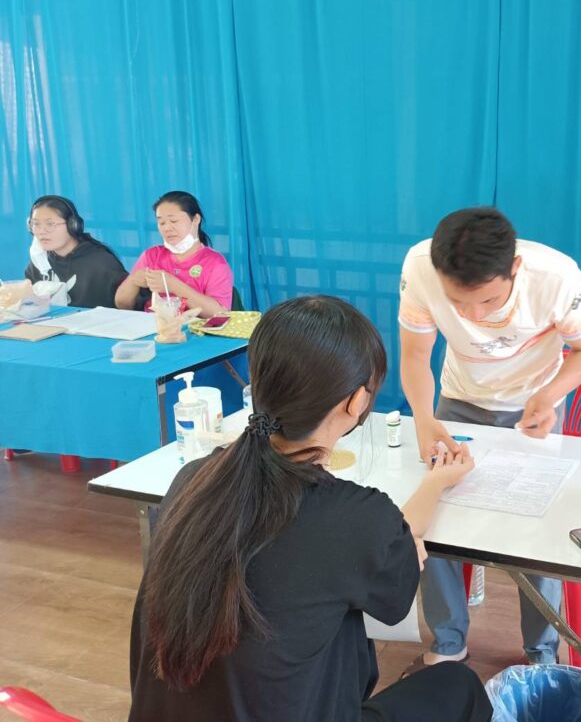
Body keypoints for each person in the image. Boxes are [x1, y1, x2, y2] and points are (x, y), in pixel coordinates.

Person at [129, 295, 492, 722]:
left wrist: (426, 494)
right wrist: (434, 486)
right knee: (457, 685)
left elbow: (369, 544)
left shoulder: (195, 480)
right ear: (356, 402)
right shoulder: (354, 517)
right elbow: (392, 567)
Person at [398, 207, 581, 672]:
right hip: (458, 401)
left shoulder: (556, 277)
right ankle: (449, 641)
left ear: (515, 269)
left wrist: (549, 395)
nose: (474, 316)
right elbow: (414, 355)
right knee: (437, 513)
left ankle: (541, 653)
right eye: (458, 302)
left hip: (532, 409)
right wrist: (424, 418)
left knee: (538, 530)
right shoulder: (420, 267)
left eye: (488, 301)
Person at [115, 190, 233, 317]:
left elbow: (220, 314)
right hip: (154, 327)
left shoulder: (215, 263)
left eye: (174, 221)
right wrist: (133, 281)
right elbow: (121, 304)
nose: (167, 228)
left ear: (196, 219)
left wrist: (173, 285)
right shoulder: (152, 256)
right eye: (161, 223)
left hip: (193, 329)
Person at [24, 195, 127, 308]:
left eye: (50, 224)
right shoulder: (40, 262)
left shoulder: (101, 263)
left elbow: (129, 307)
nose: (41, 231)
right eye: (36, 224)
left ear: (73, 225)